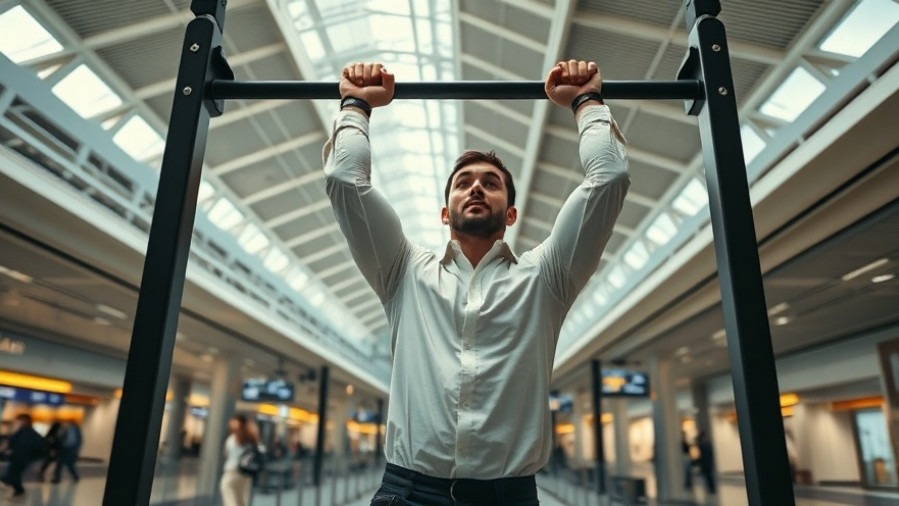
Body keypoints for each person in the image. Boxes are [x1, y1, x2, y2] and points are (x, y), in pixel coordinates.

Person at [324, 59, 629, 505]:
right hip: (409, 493)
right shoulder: (404, 272)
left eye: (491, 183)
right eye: (463, 183)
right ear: (446, 213)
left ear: (510, 214)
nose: (476, 188)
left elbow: (609, 178)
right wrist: (355, 106)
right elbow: (344, 180)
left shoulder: (546, 278)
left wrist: (586, 103)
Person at [0, 414, 46, 500]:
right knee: (13, 474)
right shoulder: (22, 431)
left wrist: (37, 462)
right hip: (18, 458)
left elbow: (38, 448)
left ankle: (18, 491)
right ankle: (15, 489)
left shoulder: (29, 433)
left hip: (22, 459)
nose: (16, 423)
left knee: (13, 474)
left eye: (18, 421)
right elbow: (10, 443)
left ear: (24, 421)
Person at [220, 414, 259, 506]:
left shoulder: (234, 438)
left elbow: (227, 453)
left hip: (232, 472)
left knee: (230, 498)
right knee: (241, 499)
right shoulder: (251, 437)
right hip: (246, 473)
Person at [696, 430, 716, 496]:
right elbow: (711, 454)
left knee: (707, 477)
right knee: (709, 476)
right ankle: (712, 489)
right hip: (708, 462)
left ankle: (710, 489)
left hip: (704, 463)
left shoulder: (700, 445)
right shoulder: (708, 444)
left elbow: (699, 455)